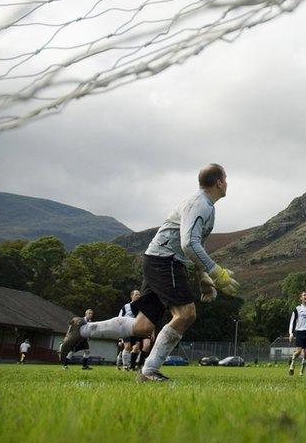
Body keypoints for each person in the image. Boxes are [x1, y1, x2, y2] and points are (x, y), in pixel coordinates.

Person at [57, 164, 240, 383]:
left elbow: (194, 243)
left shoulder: (205, 205)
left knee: (142, 326)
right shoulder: (199, 204)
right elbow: (189, 243)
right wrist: (216, 272)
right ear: (219, 182)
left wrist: (202, 276)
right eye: (226, 179)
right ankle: (149, 371)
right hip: (165, 260)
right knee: (186, 314)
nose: (227, 183)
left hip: (160, 259)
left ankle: (83, 329)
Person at [118, 289, 148, 371]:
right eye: (136, 294)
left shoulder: (142, 308)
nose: (138, 296)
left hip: (136, 329)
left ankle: (133, 365)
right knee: (127, 347)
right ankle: (125, 366)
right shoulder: (126, 306)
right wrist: (120, 336)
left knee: (136, 348)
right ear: (131, 296)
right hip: (126, 329)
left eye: (139, 294)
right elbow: (120, 318)